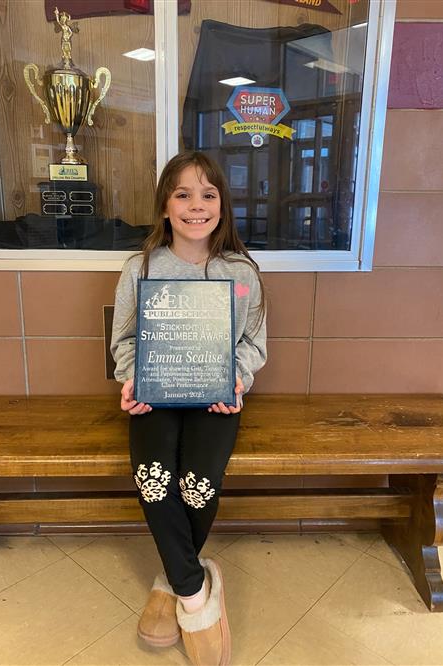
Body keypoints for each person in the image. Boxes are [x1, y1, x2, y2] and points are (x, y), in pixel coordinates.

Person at [111, 151, 267, 666]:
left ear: (222, 204)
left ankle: (171, 578)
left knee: (197, 484)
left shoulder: (241, 271)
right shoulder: (142, 267)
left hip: (216, 397)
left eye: (207, 194)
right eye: (182, 194)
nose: (195, 206)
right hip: (157, 393)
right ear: (164, 206)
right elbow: (126, 340)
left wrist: (237, 380)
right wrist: (131, 378)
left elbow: (253, 343)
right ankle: (197, 596)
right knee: (155, 477)